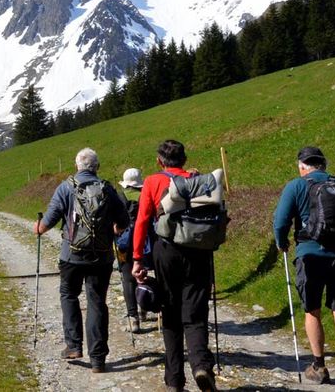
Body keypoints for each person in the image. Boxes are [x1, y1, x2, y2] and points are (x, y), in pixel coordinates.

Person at [273, 146, 335, 389]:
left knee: (312, 311)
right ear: (323, 165)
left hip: (310, 257)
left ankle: (319, 366)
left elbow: (280, 222)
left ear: (302, 166)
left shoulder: (296, 186)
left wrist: (281, 242)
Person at [132, 140, 218, 392]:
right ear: (184, 159)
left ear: (160, 161)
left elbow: (142, 221)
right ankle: (202, 366)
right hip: (199, 250)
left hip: (166, 250)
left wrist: (138, 259)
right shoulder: (199, 180)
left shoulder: (152, 181)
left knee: (169, 311)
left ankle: (174, 380)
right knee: (195, 312)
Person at [34, 147, 129, 374]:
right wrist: (114, 228)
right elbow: (124, 220)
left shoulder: (65, 187)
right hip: (102, 256)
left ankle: (74, 346)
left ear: (77, 165)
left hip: (72, 256)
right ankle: (98, 359)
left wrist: (38, 228)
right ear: (96, 167)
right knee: (97, 302)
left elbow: (46, 223)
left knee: (69, 295)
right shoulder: (106, 188)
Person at [116, 167, 146, 331]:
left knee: (127, 278)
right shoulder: (145, 195)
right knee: (144, 273)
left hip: (124, 243)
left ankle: (133, 317)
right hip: (146, 241)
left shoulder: (120, 196)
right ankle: (144, 306)